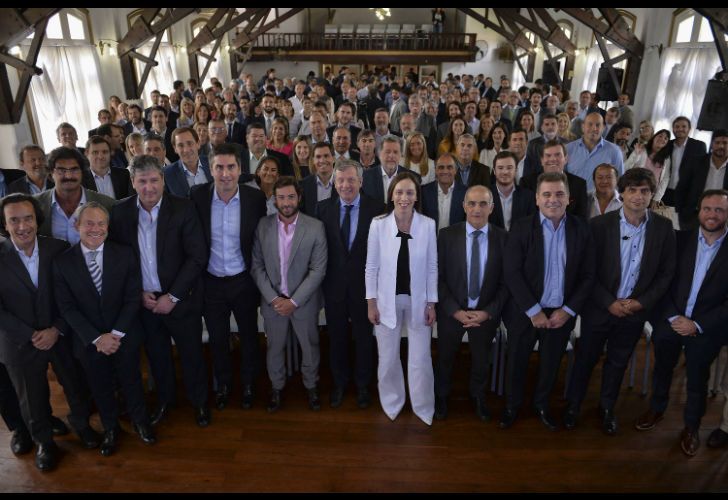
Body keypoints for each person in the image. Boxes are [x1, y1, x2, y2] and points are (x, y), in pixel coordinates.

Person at [564, 168, 676, 435]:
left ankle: (606, 408)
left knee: (618, 361)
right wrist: (608, 302)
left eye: (645, 191)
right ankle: (572, 406)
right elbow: (587, 271)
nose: (638, 197)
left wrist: (640, 303)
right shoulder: (599, 225)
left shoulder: (663, 227)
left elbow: (666, 273)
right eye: (633, 191)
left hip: (634, 312)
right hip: (600, 308)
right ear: (622, 193)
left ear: (651, 194)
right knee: (585, 360)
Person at [109, 154, 211, 428]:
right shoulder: (119, 213)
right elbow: (118, 261)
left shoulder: (184, 208)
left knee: (191, 355)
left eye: (154, 180)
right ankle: (166, 402)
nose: (149, 187)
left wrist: (173, 296)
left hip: (180, 301)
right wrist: (139, 293)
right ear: (132, 182)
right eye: (142, 181)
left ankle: (200, 402)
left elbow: (197, 257)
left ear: (163, 180)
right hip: (145, 303)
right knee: (158, 358)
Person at [0, 194, 100, 471]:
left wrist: (57, 328)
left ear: (37, 220)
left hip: (60, 334)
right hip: (19, 341)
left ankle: (82, 426)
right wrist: (31, 334)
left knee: (74, 385)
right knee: (31, 397)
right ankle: (44, 441)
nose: (23, 226)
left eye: (28, 218)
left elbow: (74, 295)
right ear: (5, 225)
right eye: (14, 220)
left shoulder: (58, 248)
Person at [53, 202, 156, 457]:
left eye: (101, 223)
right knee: (99, 386)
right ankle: (110, 429)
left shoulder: (124, 253)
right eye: (89, 223)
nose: (95, 229)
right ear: (77, 226)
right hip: (89, 341)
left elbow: (132, 298)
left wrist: (116, 334)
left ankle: (140, 422)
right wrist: (98, 338)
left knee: (131, 380)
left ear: (108, 227)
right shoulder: (62, 263)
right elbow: (67, 308)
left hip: (124, 336)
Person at [634, 189, 728, 456]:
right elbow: (661, 281)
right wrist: (675, 318)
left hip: (706, 328)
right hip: (671, 320)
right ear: (699, 211)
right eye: (708, 208)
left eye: (719, 210)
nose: (713, 214)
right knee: (662, 369)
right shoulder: (679, 240)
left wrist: (696, 325)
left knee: (697, 380)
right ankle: (657, 409)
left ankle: (691, 427)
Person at [500, 172, 595, 431]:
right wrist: (533, 311)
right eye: (547, 194)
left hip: (561, 314)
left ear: (569, 199)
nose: (553, 199)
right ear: (537, 199)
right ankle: (512, 406)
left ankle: (541, 405)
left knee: (551, 363)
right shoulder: (521, 227)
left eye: (559, 194)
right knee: (517, 361)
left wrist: (568, 310)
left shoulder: (581, 229)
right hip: (525, 311)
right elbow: (512, 272)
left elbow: (588, 276)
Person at [191, 143, 267, 413]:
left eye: (231, 167)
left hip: (243, 281)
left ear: (240, 169)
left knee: (249, 337)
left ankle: (248, 385)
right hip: (211, 282)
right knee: (218, 338)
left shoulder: (255, 199)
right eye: (219, 167)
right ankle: (222, 385)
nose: (225, 174)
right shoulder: (197, 196)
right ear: (210, 169)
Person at [365, 171, 438, 425]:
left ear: (417, 196)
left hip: (419, 301)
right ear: (391, 195)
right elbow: (371, 266)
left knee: (420, 358)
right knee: (387, 358)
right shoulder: (378, 224)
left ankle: (422, 406)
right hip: (386, 301)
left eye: (409, 192)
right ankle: (392, 403)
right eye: (399, 192)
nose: (404, 197)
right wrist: (371, 302)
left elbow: (432, 266)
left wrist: (431, 303)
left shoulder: (428, 224)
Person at [251, 176, 328, 412]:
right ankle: (276, 387)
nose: (286, 202)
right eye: (281, 197)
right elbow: (257, 266)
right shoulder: (263, 226)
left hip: (303, 302)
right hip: (273, 302)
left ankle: (311, 386)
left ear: (299, 198)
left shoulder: (315, 227)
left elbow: (318, 270)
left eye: (291, 197)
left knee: (310, 346)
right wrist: (275, 299)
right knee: (274, 347)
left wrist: (294, 301)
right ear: (274, 199)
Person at [435, 184, 508, 421]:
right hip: (452, 311)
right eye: (472, 203)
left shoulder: (503, 238)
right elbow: (438, 278)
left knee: (481, 361)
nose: (477, 209)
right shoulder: (446, 235)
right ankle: (441, 396)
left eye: (483, 203)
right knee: (445, 358)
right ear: (464, 206)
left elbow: (506, 283)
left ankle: (478, 396)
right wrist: (454, 311)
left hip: (485, 313)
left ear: (492, 207)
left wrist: (487, 313)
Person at [316, 160, 385, 409]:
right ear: (335, 183)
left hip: (365, 290)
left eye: (351, 180)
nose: (346, 185)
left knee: (364, 339)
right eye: (341, 180)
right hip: (333, 288)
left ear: (361, 182)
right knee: (337, 338)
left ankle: (363, 385)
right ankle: (339, 384)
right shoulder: (322, 209)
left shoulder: (377, 209)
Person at [35, 147, 115, 244]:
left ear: (82, 172)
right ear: (51, 173)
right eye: (61, 170)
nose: (68, 176)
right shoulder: (35, 204)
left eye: (74, 170)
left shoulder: (107, 204)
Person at [675, 130, 728, 230]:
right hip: (693, 215)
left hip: (722, 218)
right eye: (717, 142)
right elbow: (682, 187)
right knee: (688, 244)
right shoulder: (696, 162)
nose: (721, 146)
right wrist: (681, 211)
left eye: (725, 143)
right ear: (712, 144)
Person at [565, 112, 625, 192]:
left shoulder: (614, 151)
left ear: (603, 128)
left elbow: (620, 181)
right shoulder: (568, 149)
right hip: (572, 200)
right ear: (583, 127)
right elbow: (562, 177)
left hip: (601, 202)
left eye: (598, 125)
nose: (594, 128)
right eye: (590, 124)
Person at [362, 135, 420, 205]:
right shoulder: (365, 177)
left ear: (401, 155)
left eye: (395, 152)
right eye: (387, 152)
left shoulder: (413, 178)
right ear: (379, 154)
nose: (391, 155)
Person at [665, 116, 707, 207]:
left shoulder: (699, 146)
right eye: (677, 126)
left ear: (689, 129)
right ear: (673, 129)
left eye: (684, 126)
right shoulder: (667, 144)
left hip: (687, 194)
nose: (680, 129)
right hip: (665, 192)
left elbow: (702, 172)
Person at [489, 151, 536, 231]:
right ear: (494, 171)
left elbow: (532, 227)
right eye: (500, 168)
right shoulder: (484, 196)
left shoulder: (528, 197)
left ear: (516, 170)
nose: (505, 172)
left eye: (509, 168)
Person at [421, 152, 466, 232]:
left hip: (455, 242)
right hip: (430, 241)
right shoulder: (423, 192)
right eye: (441, 167)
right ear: (435, 170)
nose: (445, 171)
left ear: (455, 170)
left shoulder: (466, 193)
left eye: (449, 167)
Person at [162, 127, 212, 198]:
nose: (186, 150)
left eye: (189, 143)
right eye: (180, 145)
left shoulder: (212, 163)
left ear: (198, 144)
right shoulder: (167, 174)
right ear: (175, 149)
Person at [625, 129, 673, 203]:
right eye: (660, 136)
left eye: (666, 138)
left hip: (650, 195)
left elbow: (665, 179)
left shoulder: (666, 158)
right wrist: (636, 154)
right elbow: (626, 167)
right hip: (634, 189)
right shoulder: (642, 148)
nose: (662, 139)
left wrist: (657, 198)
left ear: (667, 143)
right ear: (654, 137)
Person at [83, 136, 133, 200]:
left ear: (110, 153)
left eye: (105, 152)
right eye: (95, 152)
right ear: (86, 154)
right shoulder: (81, 179)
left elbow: (131, 202)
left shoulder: (124, 174)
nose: (101, 156)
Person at [301, 143, 337, 216]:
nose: (322, 160)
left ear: (333, 158)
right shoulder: (303, 185)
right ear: (313, 160)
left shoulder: (345, 183)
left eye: (326, 156)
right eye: (318, 157)